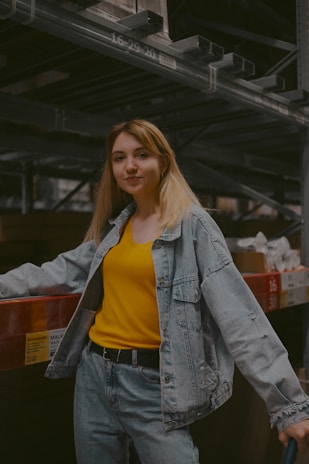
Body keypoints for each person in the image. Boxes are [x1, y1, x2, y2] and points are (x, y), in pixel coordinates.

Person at [0, 119, 309, 464]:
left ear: (163, 162)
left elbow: (241, 318)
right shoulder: (114, 228)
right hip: (95, 378)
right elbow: (55, 272)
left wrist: (289, 406)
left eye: (141, 154)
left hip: (155, 385)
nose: (129, 165)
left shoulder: (193, 227)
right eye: (119, 158)